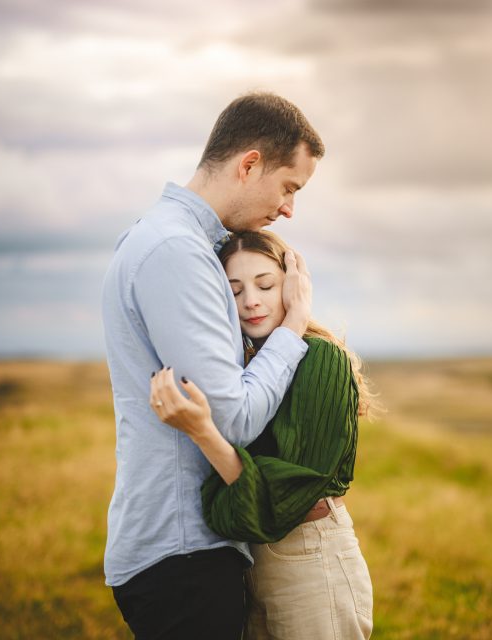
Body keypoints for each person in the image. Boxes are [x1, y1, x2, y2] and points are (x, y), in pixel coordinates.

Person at [100, 92, 324, 639]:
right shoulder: (176, 250)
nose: (289, 209)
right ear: (249, 164)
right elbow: (233, 419)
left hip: (184, 552)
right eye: (288, 187)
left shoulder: (167, 240)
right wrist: (293, 327)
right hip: (183, 555)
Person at [150, 230, 376, 639]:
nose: (250, 301)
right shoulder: (243, 367)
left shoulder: (321, 358)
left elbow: (283, 496)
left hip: (310, 555)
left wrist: (203, 432)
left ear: (292, 286)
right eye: (233, 291)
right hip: (255, 560)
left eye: (265, 285)